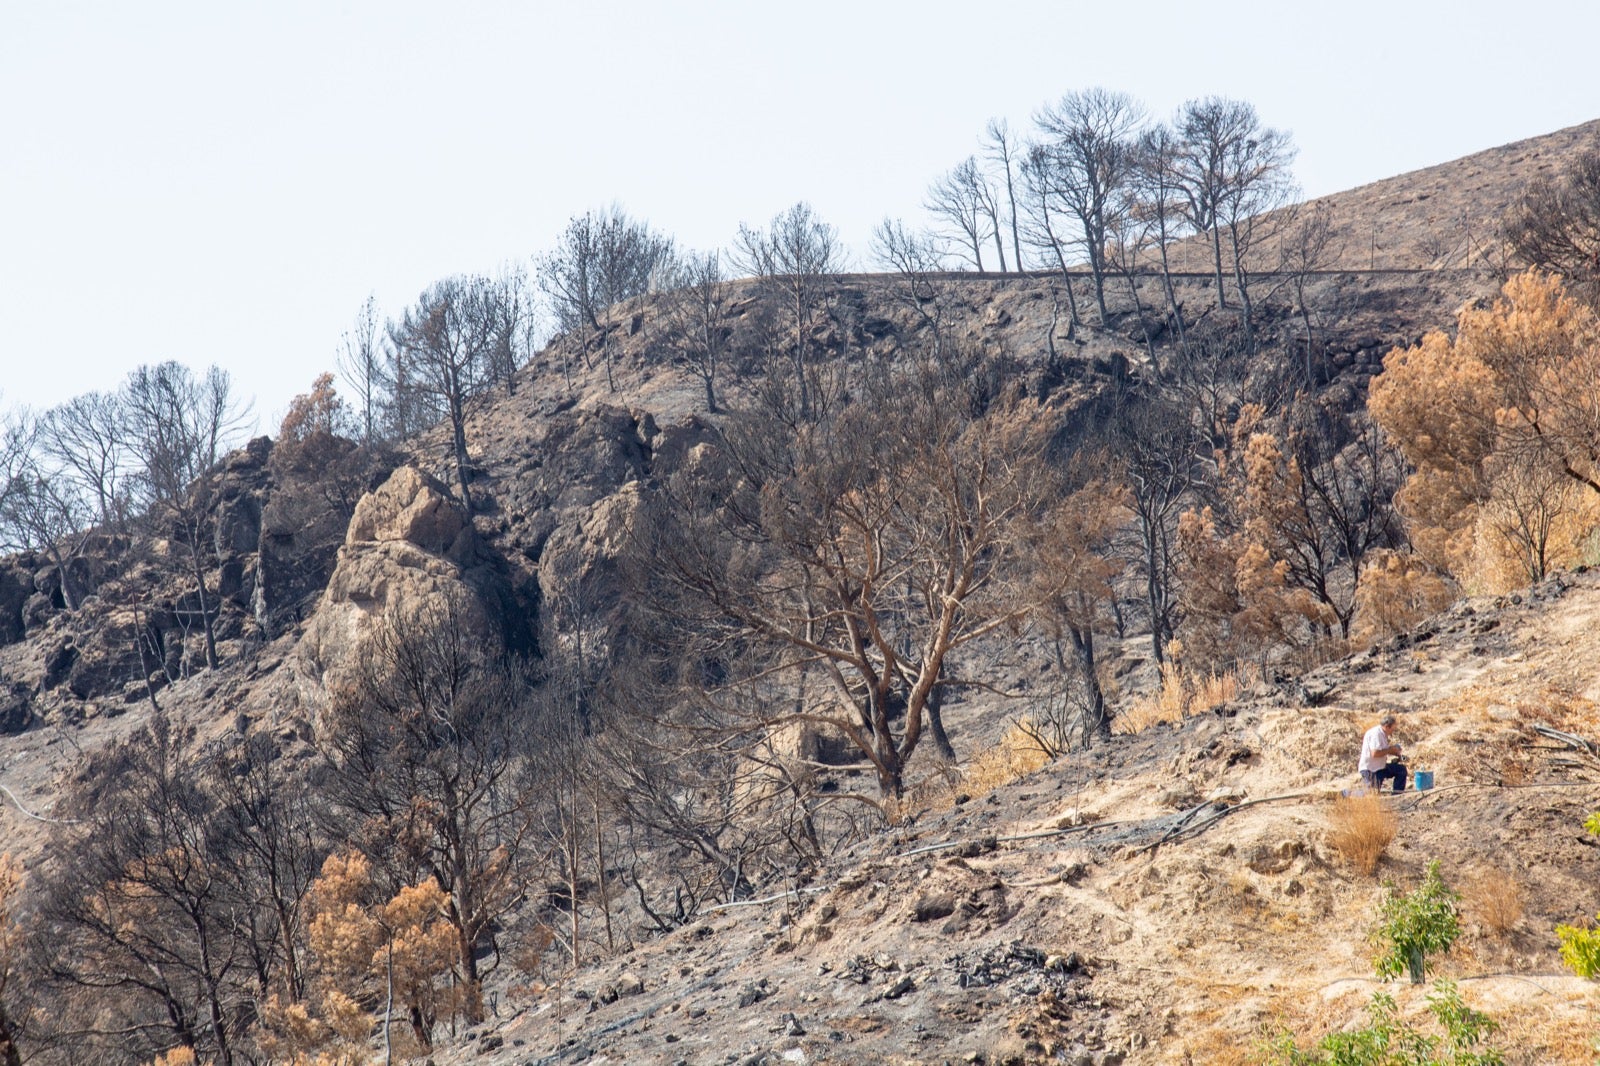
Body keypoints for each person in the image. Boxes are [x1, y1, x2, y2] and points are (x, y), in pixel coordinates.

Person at [1359, 713, 1406, 792]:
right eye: (1392, 729)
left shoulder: (1383, 734)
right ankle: (1346, 794)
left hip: (1380, 767)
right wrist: (1390, 750)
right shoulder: (1376, 734)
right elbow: (1375, 753)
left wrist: (1395, 752)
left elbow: (1382, 750)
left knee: (1401, 770)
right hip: (1370, 770)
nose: (1392, 732)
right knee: (1371, 794)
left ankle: (1397, 796)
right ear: (1387, 727)